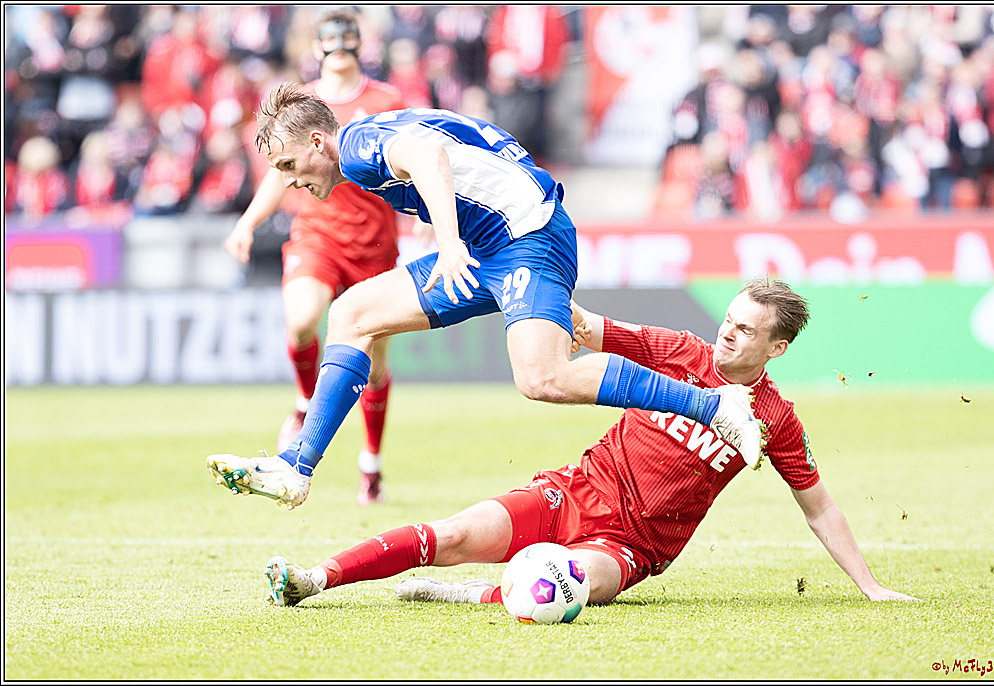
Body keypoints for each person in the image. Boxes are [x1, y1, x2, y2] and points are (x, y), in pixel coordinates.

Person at [205, 84, 764, 509]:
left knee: (541, 378)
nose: (290, 182)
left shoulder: (355, 147)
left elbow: (429, 155)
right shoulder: (365, 137)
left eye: (287, 166)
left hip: (528, 239)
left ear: (316, 141)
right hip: (488, 242)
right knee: (350, 313)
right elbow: (460, 141)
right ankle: (296, 467)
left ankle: (716, 407)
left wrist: (447, 239)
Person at [260, 279, 919, 607]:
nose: (727, 335)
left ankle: (473, 593)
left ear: (776, 347)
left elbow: (819, 507)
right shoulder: (679, 352)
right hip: (574, 493)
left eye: (746, 331)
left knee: (565, 589)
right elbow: (584, 325)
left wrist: (871, 587)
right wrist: (523, 282)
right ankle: (315, 579)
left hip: (630, 549)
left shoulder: (775, 417)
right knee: (454, 535)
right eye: (728, 320)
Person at [222, 10, 407, 505]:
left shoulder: (387, 100)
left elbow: (412, 163)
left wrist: (431, 226)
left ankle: (371, 463)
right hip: (317, 234)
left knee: (375, 362)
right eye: (332, 39)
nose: (340, 46)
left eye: (348, 38)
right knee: (302, 321)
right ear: (318, 46)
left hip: (375, 242)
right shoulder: (303, 102)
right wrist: (249, 221)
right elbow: (277, 172)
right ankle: (307, 402)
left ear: (360, 43)